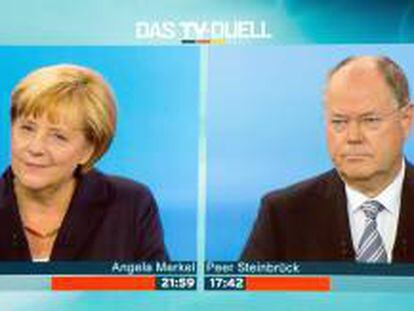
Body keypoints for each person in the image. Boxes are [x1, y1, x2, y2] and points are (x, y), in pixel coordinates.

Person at [241, 56, 414, 263]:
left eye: (370, 120)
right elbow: (249, 295)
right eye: (339, 122)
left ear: (405, 120)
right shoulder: (282, 215)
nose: (353, 137)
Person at [0, 64, 169, 261]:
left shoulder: (130, 204)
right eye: (27, 128)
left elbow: (158, 290)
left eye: (58, 137)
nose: (35, 148)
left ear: (89, 150)